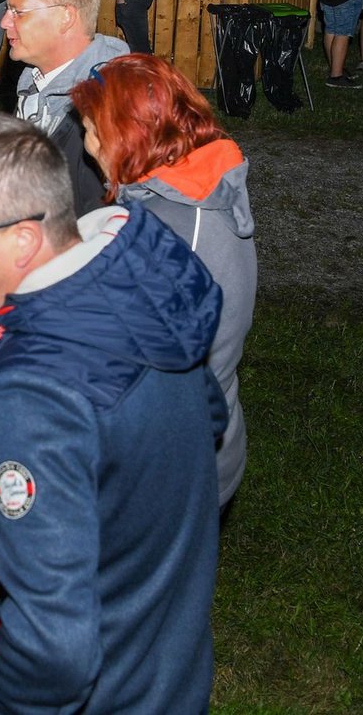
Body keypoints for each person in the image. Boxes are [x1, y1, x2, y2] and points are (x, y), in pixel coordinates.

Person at [0, 114, 224, 714]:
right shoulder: (136, 281)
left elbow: (52, 649)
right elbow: (208, 418)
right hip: (167, 669)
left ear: (22, 239)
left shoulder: (32, 397)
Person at [70, 53, 254, 514]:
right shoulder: (192, 182)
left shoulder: (170, 234)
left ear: (124, 137)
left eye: (90, 130)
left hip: (171, 465)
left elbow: (114, 369)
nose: (87, 145)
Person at [3, 0, 129, 214]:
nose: (4, 22)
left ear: (65, 17)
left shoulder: (109, 112)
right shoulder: (35, 85)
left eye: (18, 12)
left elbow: (100, 223)